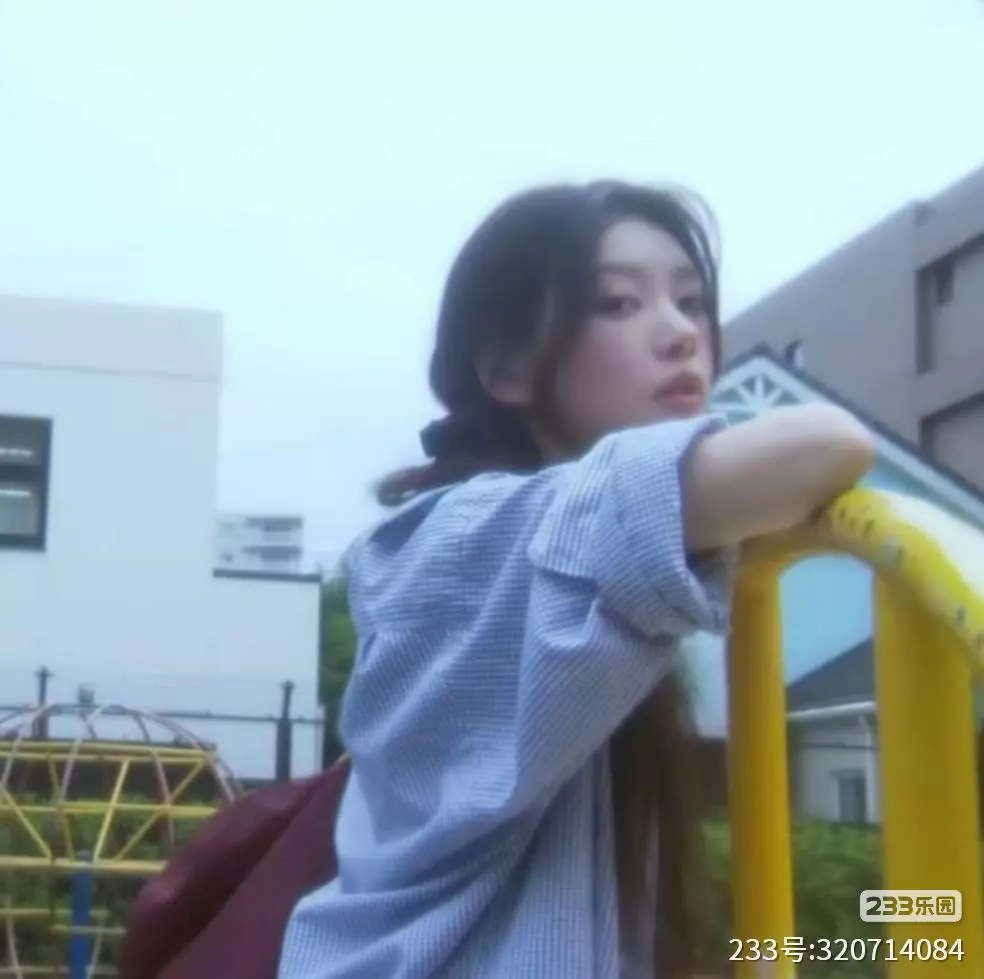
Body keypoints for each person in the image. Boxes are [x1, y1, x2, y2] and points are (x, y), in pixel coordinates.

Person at [277, 181, 875, 979]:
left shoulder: (583, 564)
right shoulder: (462, 543)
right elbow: (825, 446)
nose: (681, 334)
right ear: (507, 369)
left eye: (691, 302)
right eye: (619, 303)